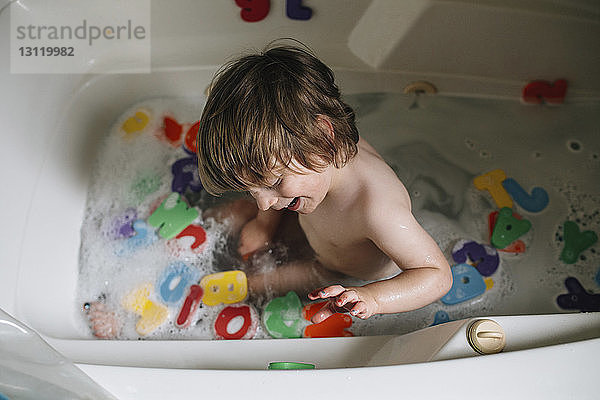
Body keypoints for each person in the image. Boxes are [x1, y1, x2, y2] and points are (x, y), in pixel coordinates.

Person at [196, 43, 452, 323]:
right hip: (313, 224)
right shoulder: (307, 158)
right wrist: (263, 224)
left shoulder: (376, 208)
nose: (263, 201)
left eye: (274, 182)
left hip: (335, 271)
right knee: (238, 213)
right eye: (251, 187)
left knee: (253, 285)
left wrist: (371, 298)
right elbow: (272, 190)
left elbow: (436, 275)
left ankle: (199, 289)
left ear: (324, 138)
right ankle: (180, 234)